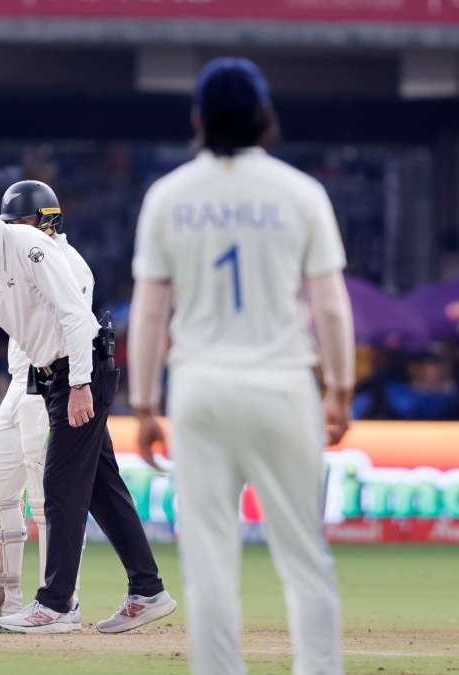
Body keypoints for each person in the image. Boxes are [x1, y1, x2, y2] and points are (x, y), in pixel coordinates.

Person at [128, 57, 351, 675]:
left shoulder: (169, 196)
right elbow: (330, 305)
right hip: (283, 384)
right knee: (304, 556)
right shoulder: (301, 193)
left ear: (198, 119)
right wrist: (340, 387)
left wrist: (145, 404)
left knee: (209, 562)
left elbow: (150, 312)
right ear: (265, 118)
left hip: (200, 388)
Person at [0, 192, 175, 634]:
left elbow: (74, 313)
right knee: (100, 489)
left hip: (80, 369)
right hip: (51, 376)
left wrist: (79, 385)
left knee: (60, 484)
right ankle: (148, 590)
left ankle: (54, 604)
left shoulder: (28, 247)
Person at [0, 180, 78, 629]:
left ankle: (58, 603)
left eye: (23, 222)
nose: (16, 231)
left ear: (46, 222)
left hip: (51, 383)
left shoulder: (65, 260)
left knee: (47, 500)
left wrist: (78, 384)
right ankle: (3, 601)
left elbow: (72, 324)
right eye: (11, 223)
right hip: (17, 384)